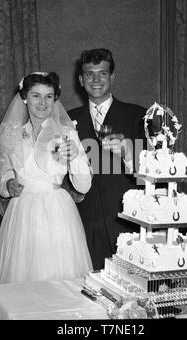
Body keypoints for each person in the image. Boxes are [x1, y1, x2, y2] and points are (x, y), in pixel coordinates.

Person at [0, 72, 93, 285]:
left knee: (57, 280)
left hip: (56, 212)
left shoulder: (66, 133)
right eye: (36, 96)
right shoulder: (13, 134)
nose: (42, 102)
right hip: (22, 213)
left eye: (49, 96)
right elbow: (4, 173)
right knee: (22, 279)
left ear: (55, 99)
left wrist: (76, 158)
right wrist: (8, 184)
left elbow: (84, 186)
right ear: (25, 97)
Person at [67, 48, 147, 270]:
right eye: (89, 74)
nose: (96, 79)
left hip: (126, 221)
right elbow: (58, 171)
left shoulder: (138, 116)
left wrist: (128, 154)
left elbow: (151, 175)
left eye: (102, 73)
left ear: (112, 77)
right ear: (81, 80)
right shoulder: (67, 119)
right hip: (84, 222)